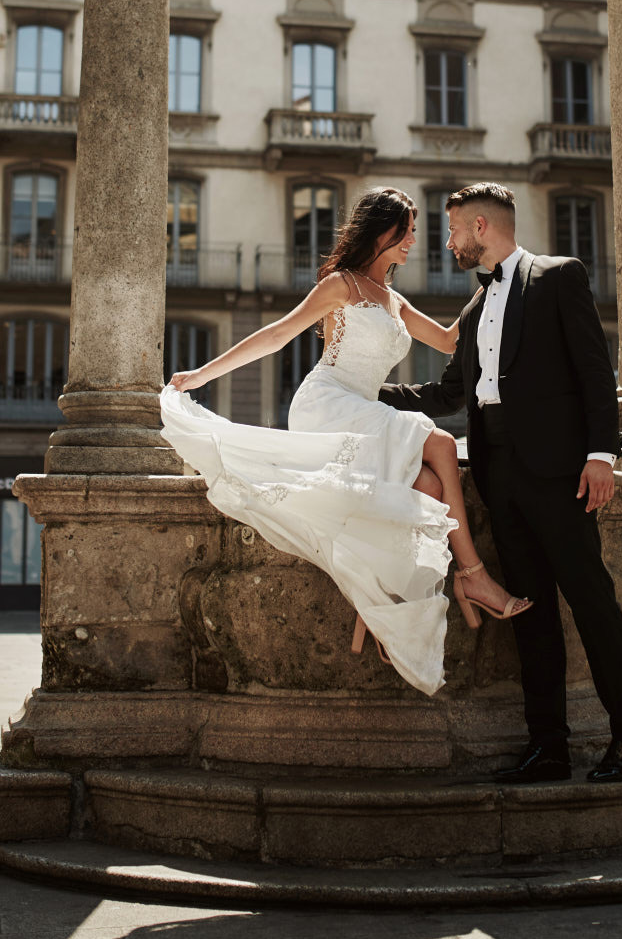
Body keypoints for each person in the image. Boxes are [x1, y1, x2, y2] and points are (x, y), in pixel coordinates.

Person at [160, 186, 529, 698]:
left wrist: (497, 278)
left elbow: (449, 339)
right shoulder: (342, 285)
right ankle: (473, 575)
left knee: (426, 488)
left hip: (364, 412)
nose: (414, 241)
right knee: (442, 444)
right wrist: (202, 374)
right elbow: (277, 334)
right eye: (406, 232)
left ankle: (380, 604)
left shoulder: (393, 300)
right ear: (382, 232)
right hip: (327, 405)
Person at [379, 182, 622, 786]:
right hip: (498, 475)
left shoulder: (559, 277)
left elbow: (594, 371)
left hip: (561, 475)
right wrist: (367, 394)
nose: (448, 243)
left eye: (453, 231)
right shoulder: (475, 307)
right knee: (530, 614)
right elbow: (448, 394)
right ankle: (548, 747)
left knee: (592, 602)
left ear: (480, 227)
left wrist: (601, 455)